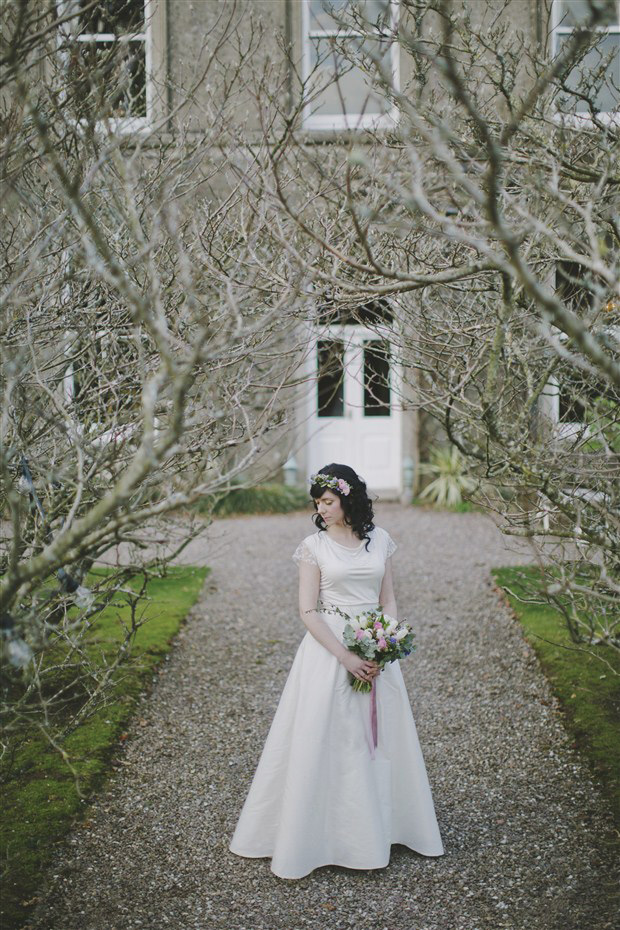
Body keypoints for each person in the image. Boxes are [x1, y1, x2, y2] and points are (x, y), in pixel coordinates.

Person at [229, 463, 444, 878]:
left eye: (328, 501)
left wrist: (385, 642)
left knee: (376, 740)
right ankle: (319, 834)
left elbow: (389, 598)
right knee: (328, 739)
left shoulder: (379, 540)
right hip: (329, 651)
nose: (321, 509)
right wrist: (346, 656)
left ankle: (382, 826)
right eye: (318, 503)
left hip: (374, 648)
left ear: (348, 499)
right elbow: (307, 611)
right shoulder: (314, 547)